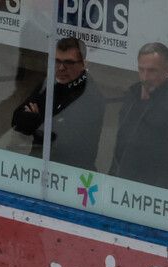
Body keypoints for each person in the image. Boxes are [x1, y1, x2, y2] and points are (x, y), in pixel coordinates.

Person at [10, 37, 104, 170]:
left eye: (69, 63)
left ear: (84, 64)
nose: (61, 68)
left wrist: (37, 120)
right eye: (57, 61)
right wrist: (41, 124)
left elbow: (63, 140)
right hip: (39, 166)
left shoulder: (89, 96)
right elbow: (16, 120)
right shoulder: (50, 83)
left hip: (71, 173)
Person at [109, 42, 168, 190]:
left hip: (147, 190)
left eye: (152, 71)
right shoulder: (133, 94)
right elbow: (122, 142)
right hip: (118, 180)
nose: (145, 77)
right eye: (141, 69)